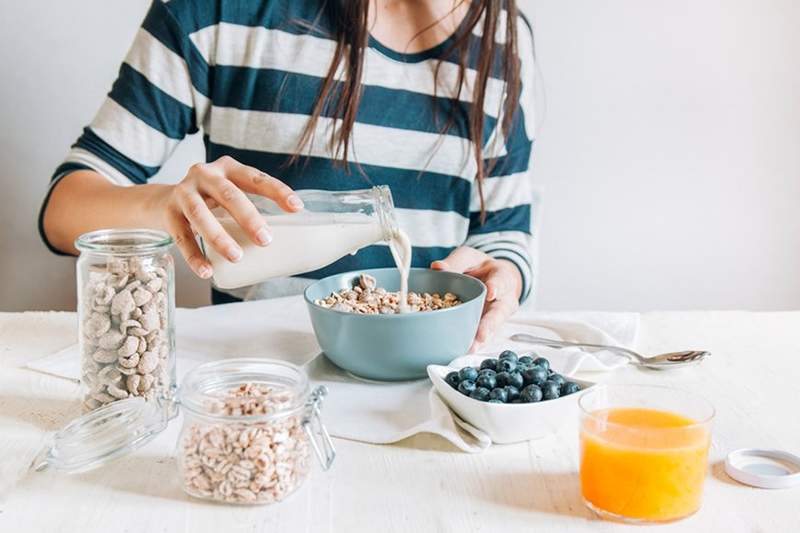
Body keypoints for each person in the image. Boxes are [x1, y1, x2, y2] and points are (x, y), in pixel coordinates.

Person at [39, 0, 535, 351]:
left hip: (426, 381)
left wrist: (504, 275)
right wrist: (166, 207)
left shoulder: (503, 43)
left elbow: (506, 232)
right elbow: (64, 211)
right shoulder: (216, 12)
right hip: (256, 382)